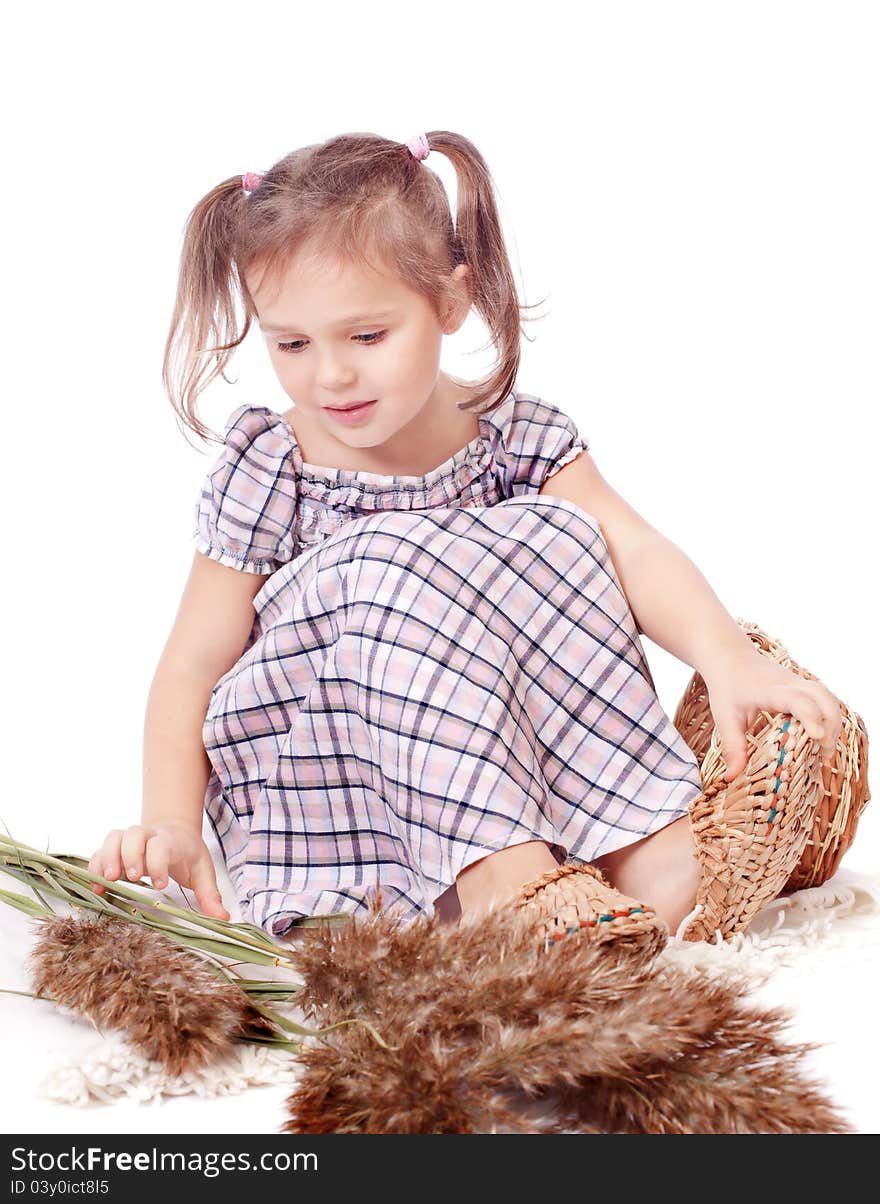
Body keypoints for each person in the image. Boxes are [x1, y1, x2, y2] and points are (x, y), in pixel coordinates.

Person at [88, 130, 842, 954]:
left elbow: (635, 548)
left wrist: (726, 654)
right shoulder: (276, 466)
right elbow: (193, 663)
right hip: (336, 786)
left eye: (366, 336)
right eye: (292, 344)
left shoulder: (517, 437)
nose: (330, 376)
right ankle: (498, 881)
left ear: (450, 304)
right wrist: (171, 820)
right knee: (395, 559)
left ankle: (638, 847)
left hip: (499, 754)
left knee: (562, 533)